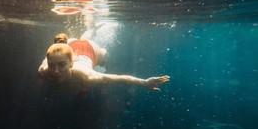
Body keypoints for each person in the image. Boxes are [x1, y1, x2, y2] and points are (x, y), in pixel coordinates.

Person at [38, 33, 170, 91]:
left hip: (89, 50)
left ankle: (91, 32)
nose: (55, 71)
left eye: (61, 65)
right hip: (69, 44)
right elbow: (51, 55)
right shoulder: (43, 71)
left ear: (71, 63)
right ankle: (86, 32)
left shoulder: (87, 75)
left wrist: (144, 82)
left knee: (104, 58)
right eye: (52, 65)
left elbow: (116, 78)